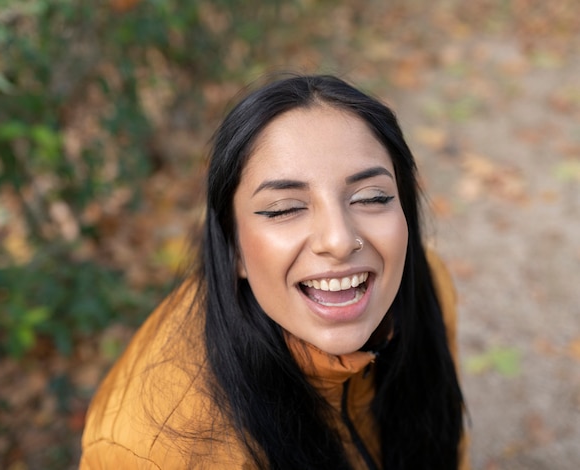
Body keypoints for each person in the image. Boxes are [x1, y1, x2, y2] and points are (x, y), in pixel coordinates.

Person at [80, 75, 469, 469]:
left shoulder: (427, 284)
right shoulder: (152, 451)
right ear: (234, 251)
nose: (338, 240)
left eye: (371, 197)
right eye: (284, 208)